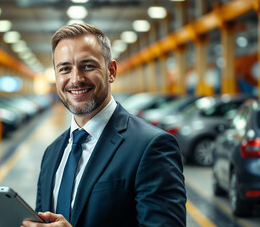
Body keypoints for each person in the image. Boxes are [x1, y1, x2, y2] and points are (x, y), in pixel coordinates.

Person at [22, 23, 186, 227]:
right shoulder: (52, 153)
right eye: (65, 69)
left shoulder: (151, 146)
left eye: (88, 66)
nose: (76, 79)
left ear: (111, 71)